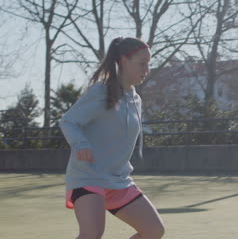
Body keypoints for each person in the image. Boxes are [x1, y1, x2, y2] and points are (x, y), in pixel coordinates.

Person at [59, 37, 165, 239]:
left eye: (148, 64)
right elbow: (69, 121)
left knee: (153, 230)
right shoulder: (101, 91)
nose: (147, 69)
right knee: (92, 234)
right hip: (88, 176)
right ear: (124, 61)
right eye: (142, 63)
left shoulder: (136, 99)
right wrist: (81, 144)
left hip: (119, 180)